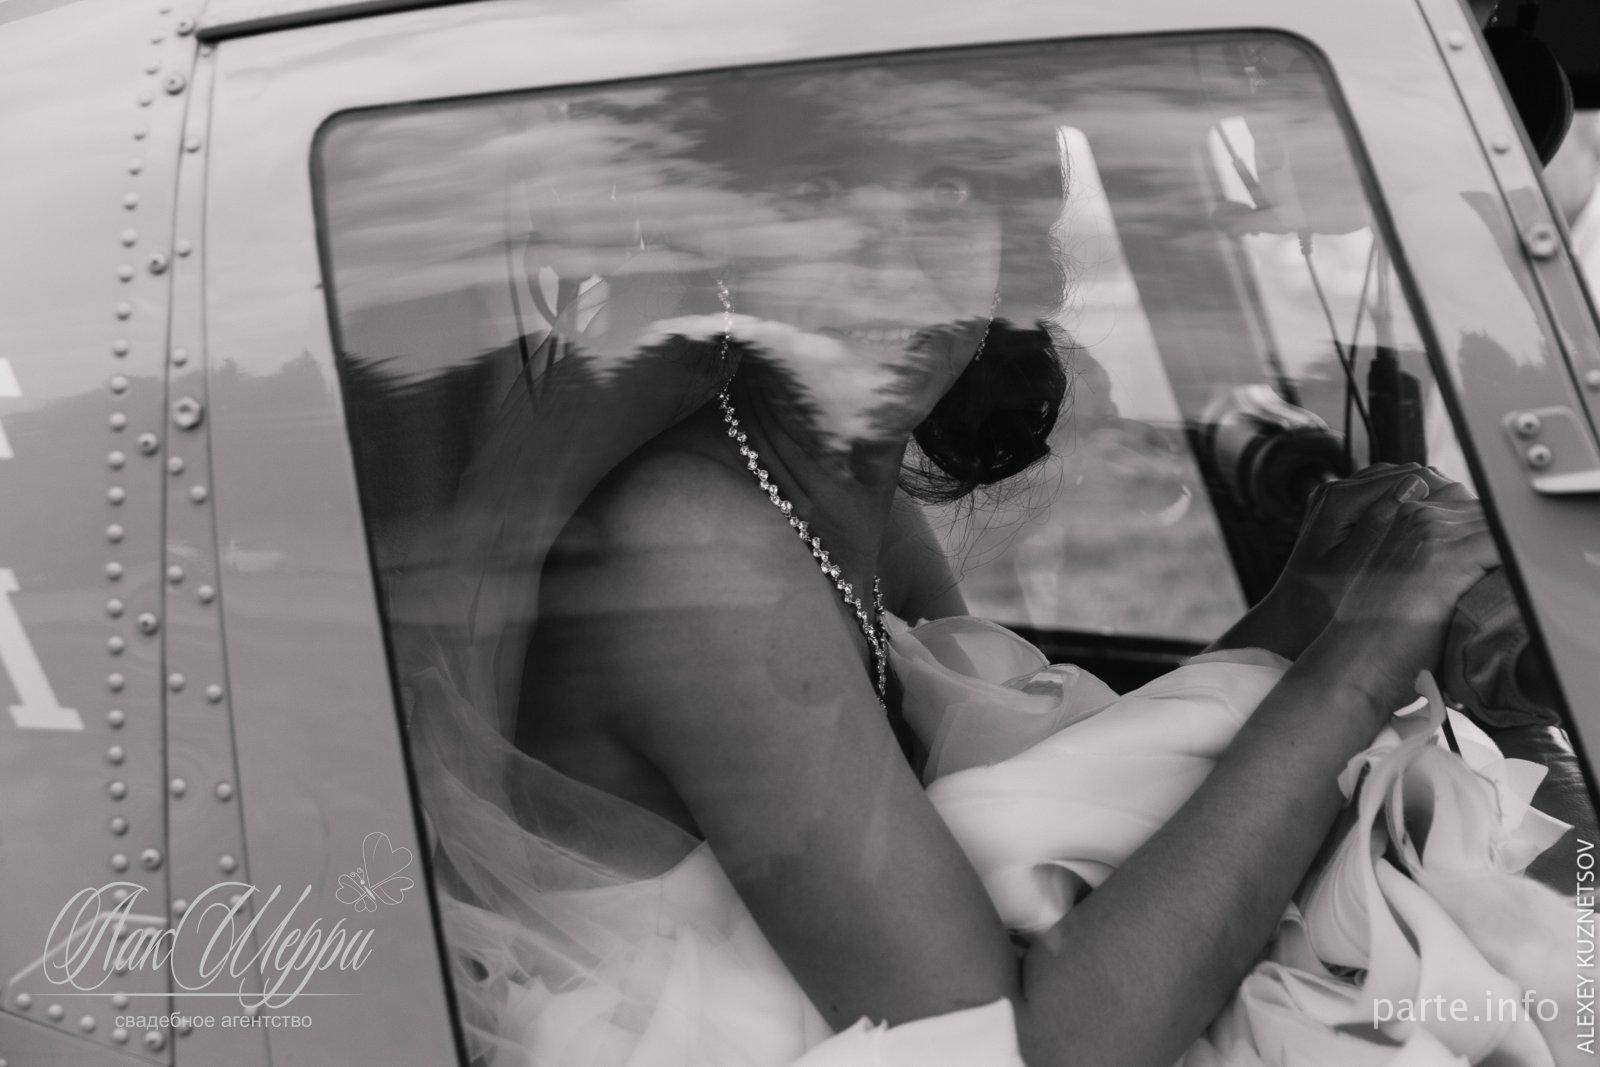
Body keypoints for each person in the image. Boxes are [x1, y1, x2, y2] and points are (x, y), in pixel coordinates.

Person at [397, 56, 1577, 1067]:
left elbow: (1044, 806)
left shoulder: (839, 498)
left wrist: (1306, 607)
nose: (891, 254)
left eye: (945, 187)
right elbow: (1032, 1046)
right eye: (817, 190)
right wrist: (1357, 663)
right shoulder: (690, 551)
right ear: (723, 235)